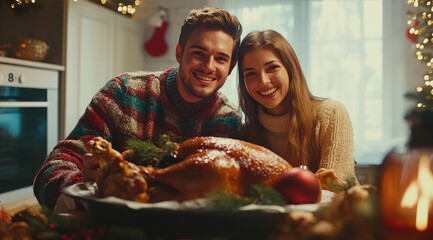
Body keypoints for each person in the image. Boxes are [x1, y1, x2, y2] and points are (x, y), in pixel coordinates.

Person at [33, 6, 243, 209]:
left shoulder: (226, 119)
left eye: (221, 58)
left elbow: (212, 199)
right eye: (199, 53)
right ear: (179, 53)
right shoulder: (124, 91)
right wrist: (85, 187)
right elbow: (56, 165)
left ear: (231, 67)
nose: (208, 66)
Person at [236, 30, 357, 186]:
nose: (263, 81)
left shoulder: (331, 114)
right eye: (251, 74)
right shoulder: (246, 133)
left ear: (290, 69)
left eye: (272, 68)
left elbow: (334, 189)